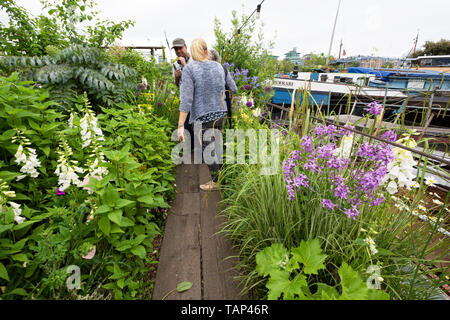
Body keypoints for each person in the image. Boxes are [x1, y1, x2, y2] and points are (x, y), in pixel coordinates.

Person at [177, 38, 237, 191]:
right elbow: (234, 88)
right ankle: (223, 177)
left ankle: (217, 182)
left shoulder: (189, 70)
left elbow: (187, 99)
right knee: (217, 146)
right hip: (221, 113)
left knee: (208, 149)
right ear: (206, 50)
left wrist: (180, 124)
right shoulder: (219, 67)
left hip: (203, 116)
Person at [172, 38, 194, 147]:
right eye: (176, 49)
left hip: (195, 98)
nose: (178, 51)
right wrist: (176, 78)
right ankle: (188, 149)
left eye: (180, 48)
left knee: (196, 124)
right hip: (184, 97)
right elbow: (177, 84)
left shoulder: (194, 60)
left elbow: (196, 79)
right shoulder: (175, 64)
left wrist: (185, 65)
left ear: (185, 46)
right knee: (186, 124)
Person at [208, 49, 237, 129]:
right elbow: (234, 89)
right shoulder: (223, 69)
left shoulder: (201, 70)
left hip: (204, 113)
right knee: (217, 138)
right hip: (220, 111)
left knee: (203, 139)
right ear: (217, 59)